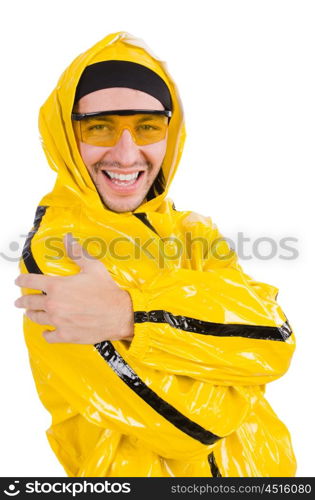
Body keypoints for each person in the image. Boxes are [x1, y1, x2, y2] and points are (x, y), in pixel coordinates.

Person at [14, 31, 296, 477]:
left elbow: (277, 340)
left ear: (171, 131)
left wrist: (131, 315)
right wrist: (235, 369)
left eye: (147, 127)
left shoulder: (192, 232)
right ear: (66, 135)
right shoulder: (56, 260)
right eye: (100, 127)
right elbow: (196, 425)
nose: (127, 154)